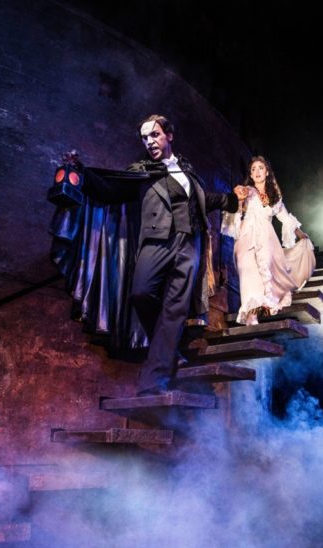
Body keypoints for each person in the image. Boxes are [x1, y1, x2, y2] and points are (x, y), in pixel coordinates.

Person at [73, 114, 240, 396]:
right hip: (156, 241)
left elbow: (203, 200)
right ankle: (170, 349)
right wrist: (81, 172)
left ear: (169, 136)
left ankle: (154, 381)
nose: (149, 141)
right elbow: (112, 187)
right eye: (145, 137)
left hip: (188, 246)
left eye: (155, 135)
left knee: (174, 310)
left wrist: (231, 199)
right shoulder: (142, 171)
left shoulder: (188, 172)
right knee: (140, 292)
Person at [222, 155, 316, 325]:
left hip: (266, 238)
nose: (257, 171)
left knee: (267, 271)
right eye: (253, 169)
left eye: (260, 168)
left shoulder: (275, 198)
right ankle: (251, 315)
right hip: (247, 237)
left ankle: (264, 304)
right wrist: (240, 200)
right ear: (250, 175)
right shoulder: (246, 191)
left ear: (267, 172)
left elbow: (286, 218)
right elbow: (236, 210)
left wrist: (301, 235)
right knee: (248, 272)